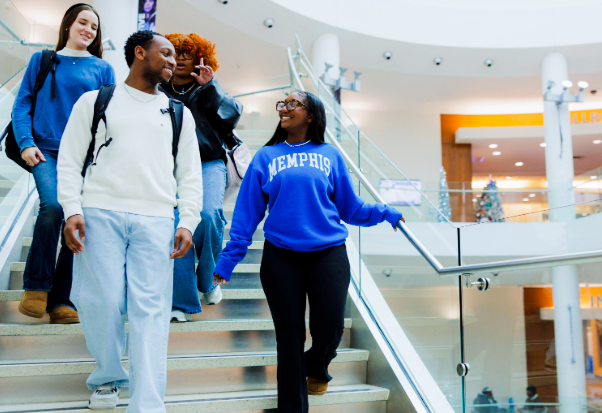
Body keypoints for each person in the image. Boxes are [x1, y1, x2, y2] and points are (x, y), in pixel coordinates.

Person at [214, 91, 404, 412]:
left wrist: (384, 213)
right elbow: (248, 214)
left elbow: (349, 208)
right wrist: (228, 259)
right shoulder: (267, 156)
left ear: (312, 115)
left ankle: (316, 365)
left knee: (330, 329)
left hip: (328, 252)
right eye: (282, 104)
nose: (284, 109)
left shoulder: (329, 154)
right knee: (288, 339)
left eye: (293, 104)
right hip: (280, 257)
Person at [57, 30, 202, 411]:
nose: (173, 61)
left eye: (176, 55)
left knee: (151, 312)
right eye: (166, 53)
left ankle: (148, 402)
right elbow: (70, 161)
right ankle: (107, 378)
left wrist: (187, 220)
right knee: (100, 301)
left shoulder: (177, 113)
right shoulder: (95, 101)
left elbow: (190, 174)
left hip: (156, 218)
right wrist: (71, 209)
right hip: (98, 212)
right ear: (140, 53)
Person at [12, 3, 114, 325]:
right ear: (69, 24)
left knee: (78, 217)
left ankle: (62, 299)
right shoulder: (43, 60)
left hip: (84, 157)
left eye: (94, 27)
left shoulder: (102, 69)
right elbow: (22, 103)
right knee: (54, 206)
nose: (88, 30)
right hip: (45, 151)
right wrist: (26, 144)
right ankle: (36, 288)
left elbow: (107, 118)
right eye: (83, 22)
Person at [161, 33, 242, 322]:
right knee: (177, 223)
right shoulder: (158, 89)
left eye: (188, 53)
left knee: (208, 216)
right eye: (175, 52)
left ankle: (207, 280)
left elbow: (232, 116)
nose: (181, 58)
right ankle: (181, 302)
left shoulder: (208, 89)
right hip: (168, 167)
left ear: (200, 58)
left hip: (208, 162)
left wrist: (212, 87)